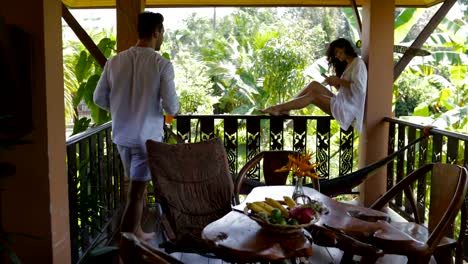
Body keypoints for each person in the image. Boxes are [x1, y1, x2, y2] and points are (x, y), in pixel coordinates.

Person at [93, 11, 179, 241]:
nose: (163, 37)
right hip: (146, 140)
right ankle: (126, 242)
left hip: (122, 136)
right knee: (137, 193)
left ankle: (134, 232)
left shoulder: (114, 61)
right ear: (155, 32)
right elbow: (172, 107)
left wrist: (122, 109)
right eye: (162, 32)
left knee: (134, 189)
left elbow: (98, 99)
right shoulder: (161, 64)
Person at [261, 38, 367, 133]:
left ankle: (277, 108)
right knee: (314, 85)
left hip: (348, 110)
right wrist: (335, 83)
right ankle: (287, 108)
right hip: (342, 102)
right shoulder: (349, 64)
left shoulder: (358, 64)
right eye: (335, 54)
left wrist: (339, 81)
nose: (336, 56)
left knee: (313, 95)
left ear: (344, 47)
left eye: (337, 52)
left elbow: (360, 89)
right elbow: (345, 90)